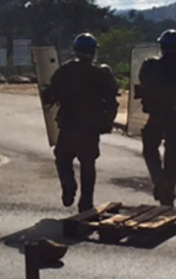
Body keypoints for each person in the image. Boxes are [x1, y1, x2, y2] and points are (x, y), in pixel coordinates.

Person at [43, 33, 119, 212]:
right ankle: (86, 202)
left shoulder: (65, 71)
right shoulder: (101, 73)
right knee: (88, 163)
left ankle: (68, 183)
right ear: (93, 51)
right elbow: (112, 101)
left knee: (63, 157)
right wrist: (107, 122)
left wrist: (47, 92)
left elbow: (50, 95)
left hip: (69, 123)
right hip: (91, 126)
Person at [137, 29, 176, 206]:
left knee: (150, 149)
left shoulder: (150, 65)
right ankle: (169, 190)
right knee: (172, 154)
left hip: (156, 114)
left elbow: (143, 86)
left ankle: (160, 182)